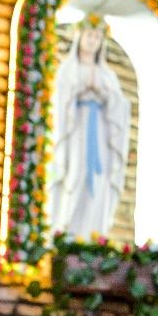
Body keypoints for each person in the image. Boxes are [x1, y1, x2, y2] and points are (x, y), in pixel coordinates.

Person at [47, 15, 131, 240]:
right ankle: (66, 232)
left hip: (100, 133)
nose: (93, 41)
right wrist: (79, 91)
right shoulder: (68, 70)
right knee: (75, 175)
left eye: (97, 37)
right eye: (89, 35)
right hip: (76, 130)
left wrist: (105, 95)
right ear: (80, 37)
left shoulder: (107, 75)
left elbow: (121, 106)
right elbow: (59, 101)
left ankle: (94, 235)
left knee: (99, 180)